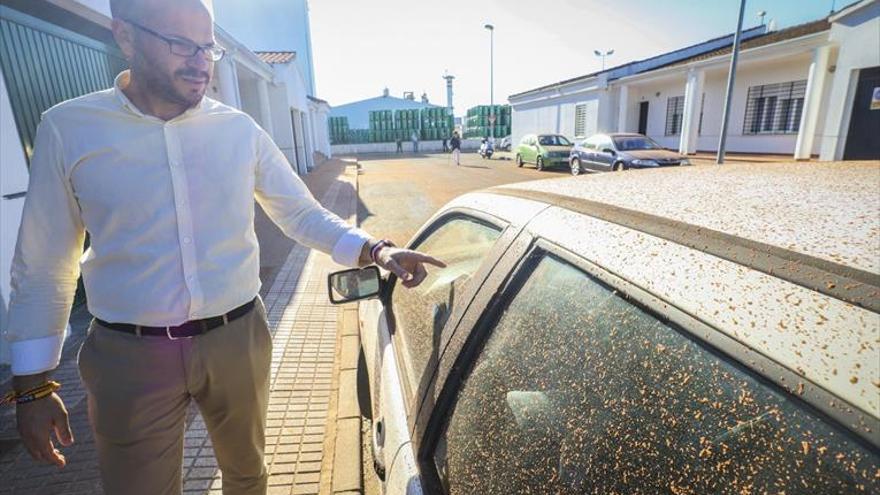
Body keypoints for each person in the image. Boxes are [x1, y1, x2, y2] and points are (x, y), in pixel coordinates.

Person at [4, 1, 444, 494]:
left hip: (237, 338)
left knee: (247, 475)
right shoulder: (69, 128)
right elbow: (43, 265)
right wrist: (32, 386)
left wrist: (376, 249)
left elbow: (299, 212)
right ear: (125, 36)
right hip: (129, 354)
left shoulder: (238, 130)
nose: (200, 61)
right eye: (180, 45)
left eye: (207, 46)